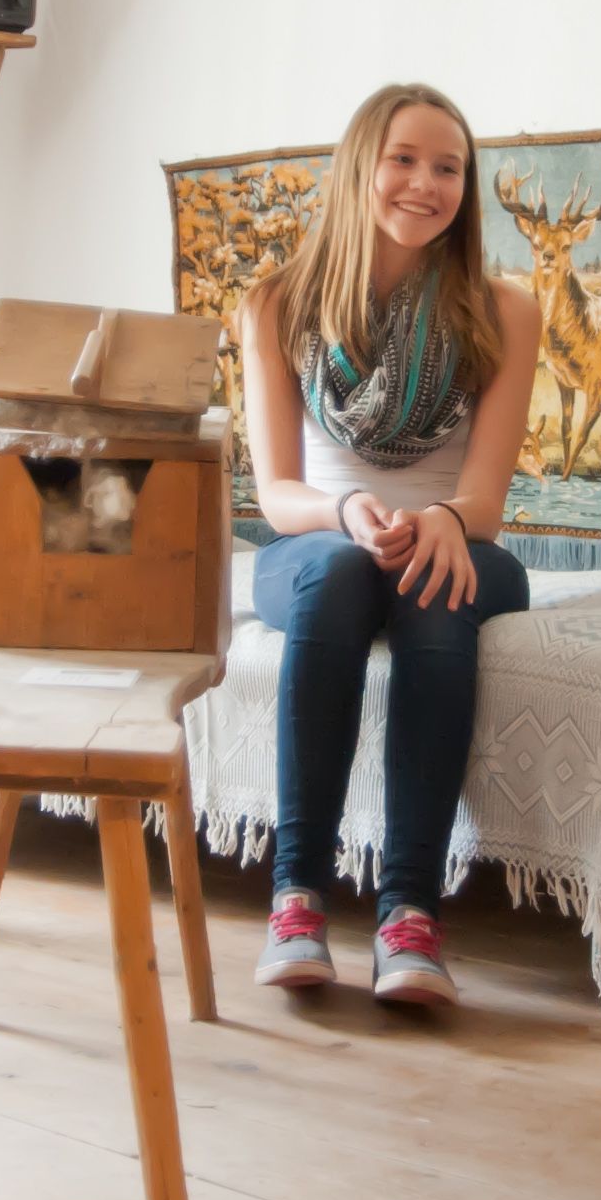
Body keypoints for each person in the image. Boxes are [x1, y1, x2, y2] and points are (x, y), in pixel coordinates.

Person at [238, 83, 547, 1007]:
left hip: (453, 537)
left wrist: (443, 519)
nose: (426, 183)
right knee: (339, 575)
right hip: (320, 537)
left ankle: (409, 915)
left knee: (435, 585)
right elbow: (277, 494)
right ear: (358, 169)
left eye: (448, 168)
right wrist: (348, 513)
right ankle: (297, 900)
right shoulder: (276, 304)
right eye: (404, 160)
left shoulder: (505, 310)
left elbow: (485, 501)